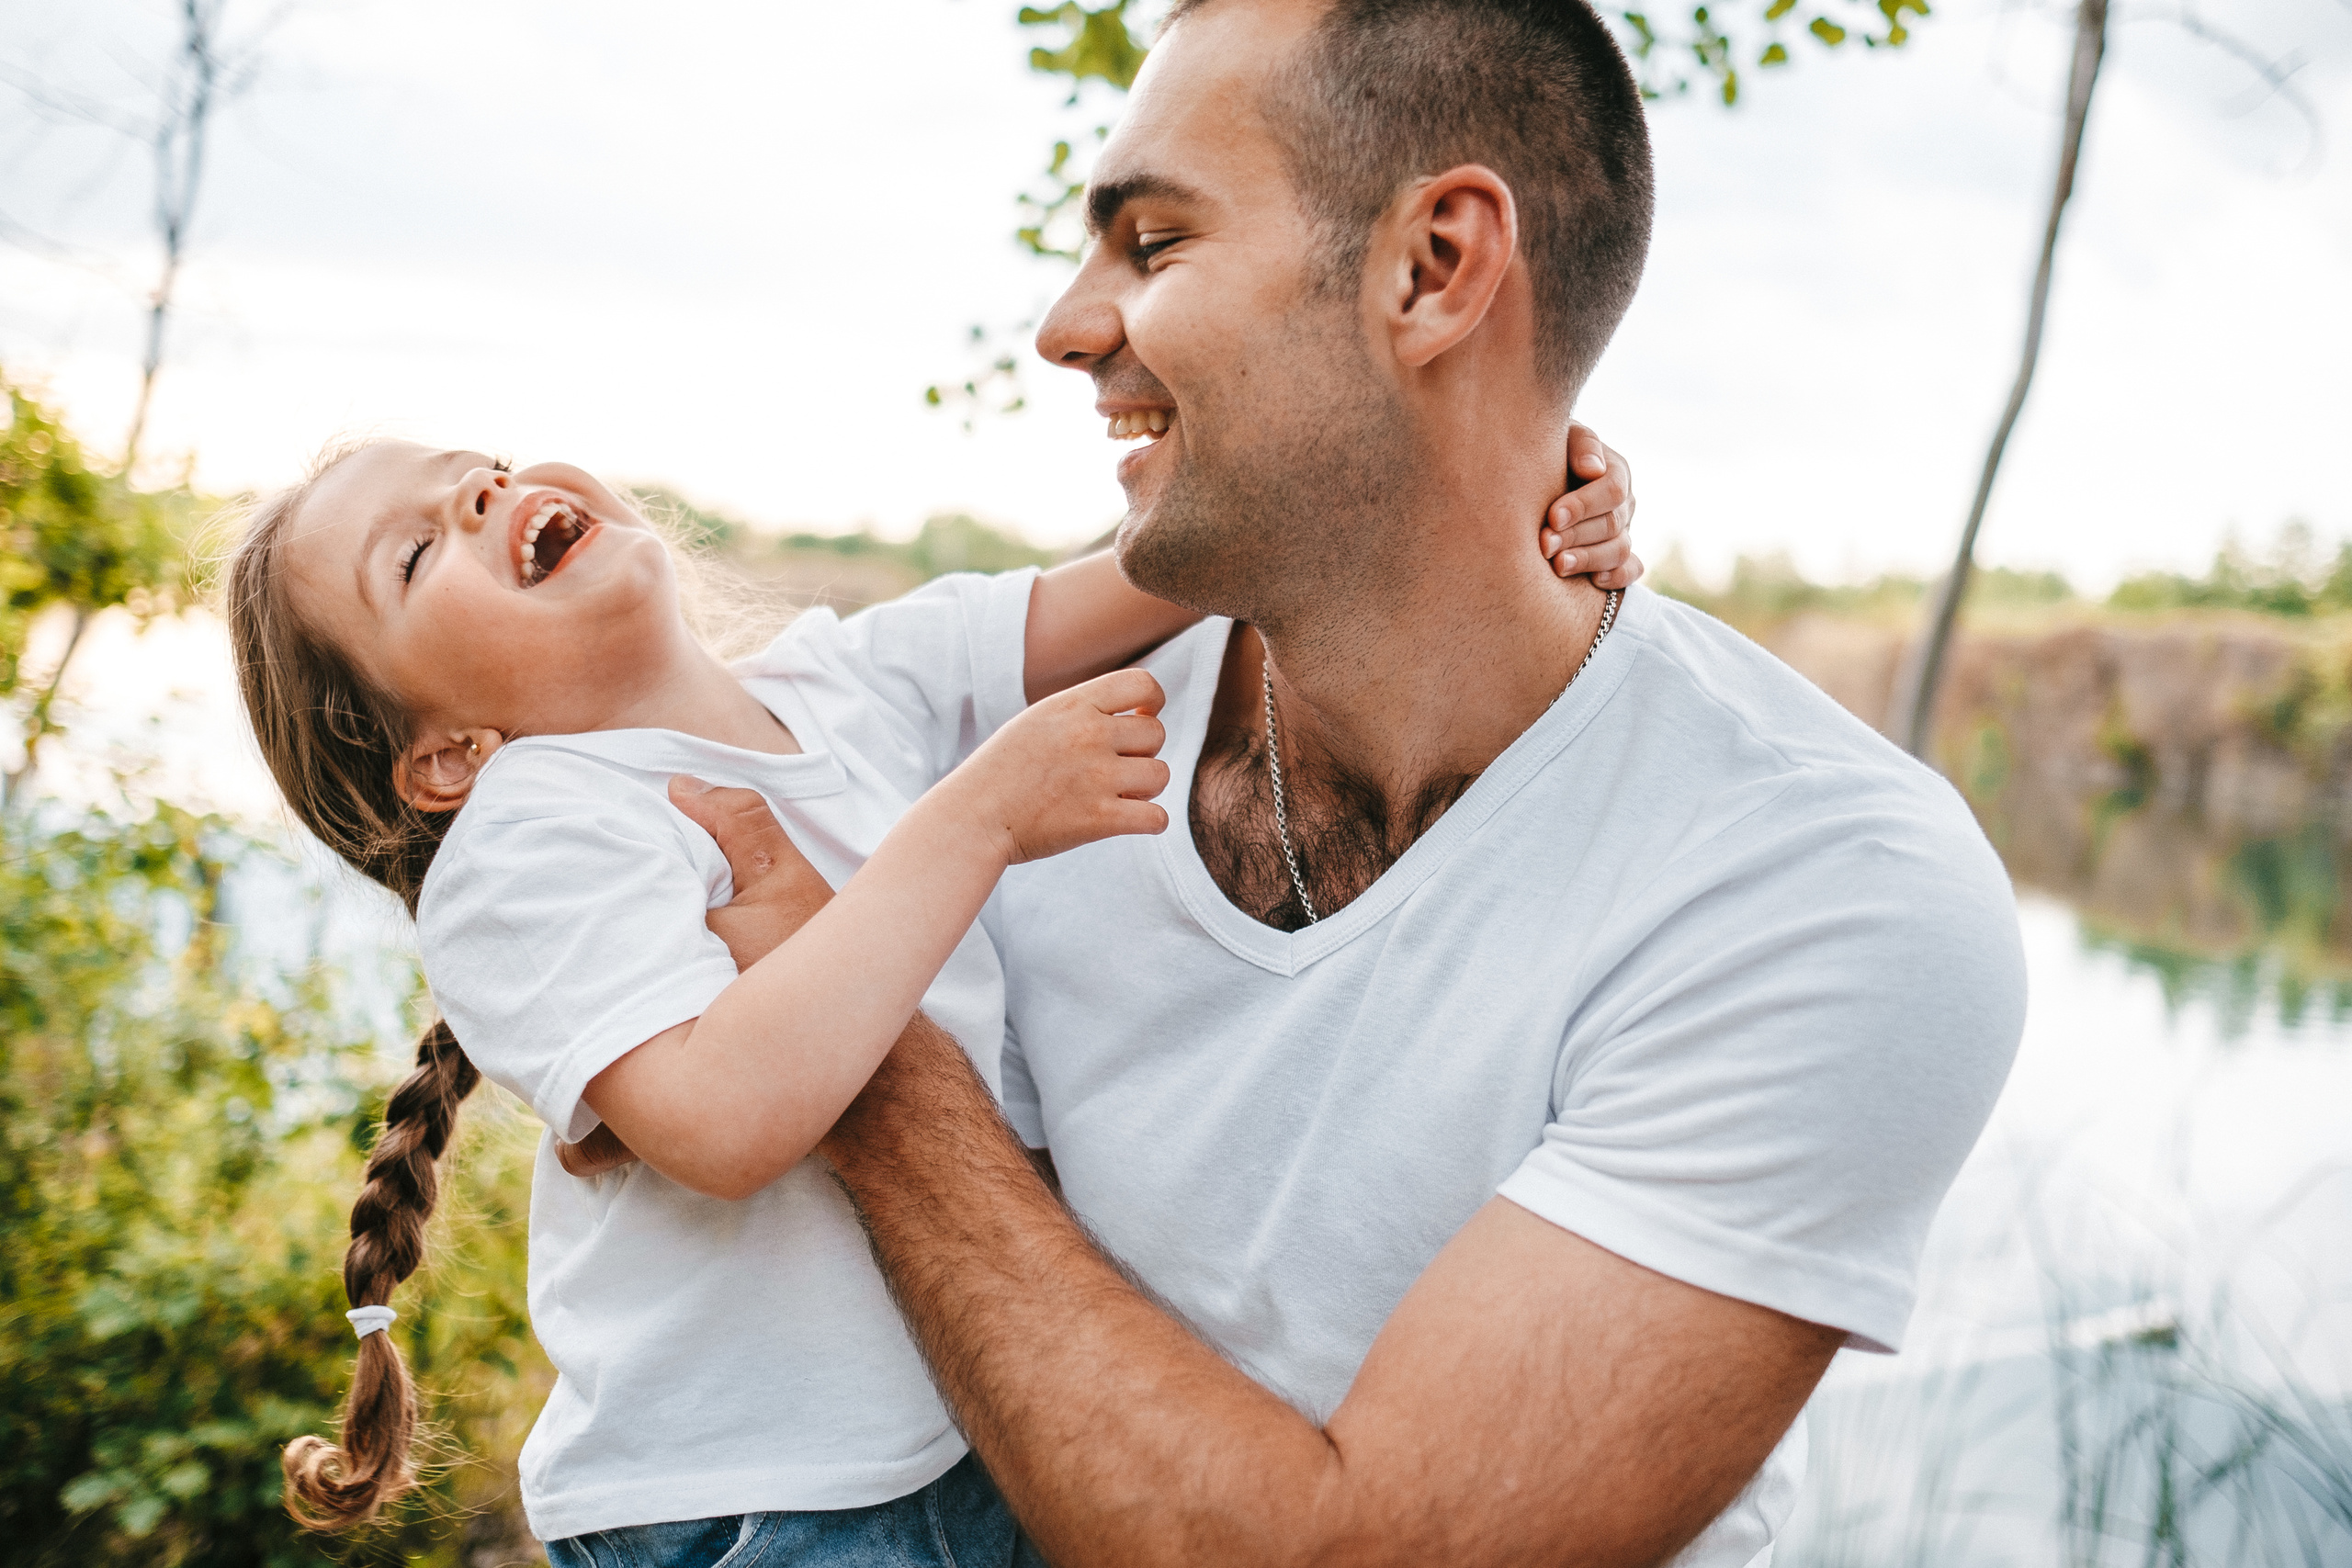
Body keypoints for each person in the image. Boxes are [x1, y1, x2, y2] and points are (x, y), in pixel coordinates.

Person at [678, 3, 2029, 1565]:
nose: (1064, 326)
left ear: (1435, 268)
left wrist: (876, 1081)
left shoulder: (1817, 884)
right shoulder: (984, 746)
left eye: (1155, 241)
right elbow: (588, 805)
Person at [226, 433, 1636, 1561]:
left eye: (471, 467)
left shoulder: (851, 680)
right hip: (764, 1503)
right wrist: (976, 822)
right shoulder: (536, 827)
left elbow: (1178, 567)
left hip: (972, 1442)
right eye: (418, 552)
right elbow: (723, 1121)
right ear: (446, 758)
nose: (482, 495)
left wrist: (1490, 478)